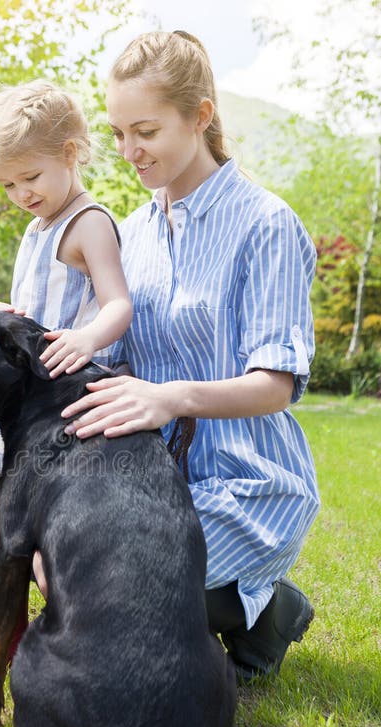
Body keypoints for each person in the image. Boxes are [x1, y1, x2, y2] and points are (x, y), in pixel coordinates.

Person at [60, 30, 320, 680]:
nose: (127, 152)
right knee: (70, 568)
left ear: (200, 116)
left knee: (123, 596)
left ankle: (256, 606)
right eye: (117, 134)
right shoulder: (133, 231)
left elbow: (275, 385)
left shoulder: (265, 225)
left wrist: (166, 398)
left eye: (143, 131)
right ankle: (264, 611)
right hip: (156, 481)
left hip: (248, 484)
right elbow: (109, 347)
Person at [0, 80, 134, 667]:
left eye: (30, 177)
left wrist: (86, 336)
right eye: (8, 184)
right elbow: (35, 300)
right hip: (19, 397)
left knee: (33, 514)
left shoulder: (88, 224)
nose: (21, 193)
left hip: (61, 400)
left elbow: (118, 303)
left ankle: (54, 625)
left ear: (70, 153)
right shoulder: (37, 225)